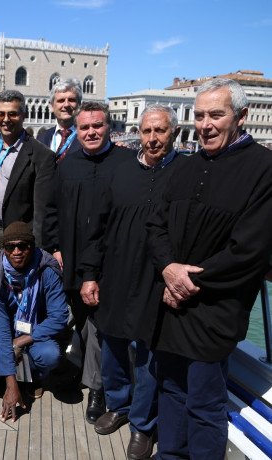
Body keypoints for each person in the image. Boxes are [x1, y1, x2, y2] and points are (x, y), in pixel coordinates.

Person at [146, 78, 272, 459]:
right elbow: (156, 225)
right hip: (171, 306)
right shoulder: (186, 166)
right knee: (169, 391)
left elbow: (248, 250)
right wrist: (168, 268)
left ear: (241, 117)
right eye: (200, 115)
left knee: (203, 404)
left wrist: (182, 280)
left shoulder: (264, 169)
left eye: (216, 114)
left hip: (215, 311)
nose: (205, 124)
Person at [79, 105, 184, 459]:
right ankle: (119, 404)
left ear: (174, 133)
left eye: (161, 131)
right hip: (116, 274)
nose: (153, 139)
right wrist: (90, 274)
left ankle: (142, 424)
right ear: (138, 132)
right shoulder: (121, 172)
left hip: (157, 280)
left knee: (148, 354)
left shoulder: (183, 174)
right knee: (112, 346)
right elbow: (98, 228)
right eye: (147, 131)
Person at [44, 101, 134, 424]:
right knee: (78, 319)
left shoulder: (126, 162)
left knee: (101, 324)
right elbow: (52, 210)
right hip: (71, 258)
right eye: (85, 127)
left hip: (111, 263)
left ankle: (98, 388)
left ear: (109, 127)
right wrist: (54, 247)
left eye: (97, 126)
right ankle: (79, 373)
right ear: (77, 130)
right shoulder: (67, 164)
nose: (92, 132)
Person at [0, 222, 69, 420]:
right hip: (2, 329)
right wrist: (10, 384)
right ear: (3, 250)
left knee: (50, 355)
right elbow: (0, 330)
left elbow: (60, 317)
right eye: (10, 247)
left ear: (31, 247)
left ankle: (33, 379)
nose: (16, 251)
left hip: (35, 328)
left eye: (22, 246)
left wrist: (22, 340)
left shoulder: (46, 269)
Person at [0, 90, 55, 269]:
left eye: (12, 113)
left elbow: (42, 211)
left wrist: (36, 247)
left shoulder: (41, 155)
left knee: (16, 290)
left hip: (18, 239)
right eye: (0, 114)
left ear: (23, 115)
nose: (5, 119)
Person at [37, 78, 83, 161]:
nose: (66, 105)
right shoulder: (41, 139)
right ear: (51, 106)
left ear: (79, 105)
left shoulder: (88, 137)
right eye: (61, 100)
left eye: (71, 100)